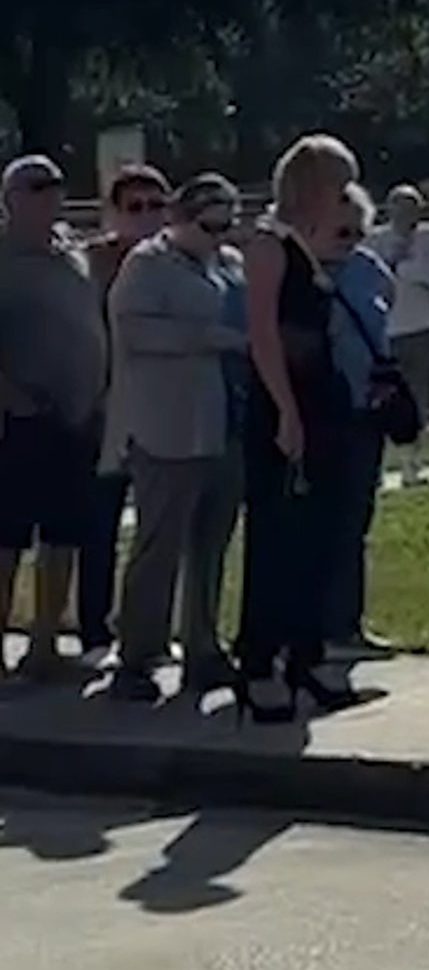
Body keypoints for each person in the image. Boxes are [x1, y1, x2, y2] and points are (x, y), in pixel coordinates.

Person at [234, 135, 370, 721]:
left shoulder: (315, 251)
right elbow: (263, 334)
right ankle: (260, 660)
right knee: (278, 533)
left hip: (324, 398)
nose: (344, 200)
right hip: (283, 400)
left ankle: (307, 655)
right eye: (336, 188)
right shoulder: (268, 246)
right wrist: (285, 409)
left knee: (323, 531)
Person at [102, 174, 249, 702]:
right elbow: (135, 333)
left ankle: (203, 648)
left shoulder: (229, 265)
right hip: (166, 426)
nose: (219, 235)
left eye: (227, 224)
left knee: (211, 544)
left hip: (224, 424)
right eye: (209, 224)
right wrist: (211, 339)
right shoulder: (146, 265)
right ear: (180, 219)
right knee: (157, 545)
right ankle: (136, 656)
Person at [0, 155, 110, 682]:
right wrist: (11, 394)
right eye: (36, 187)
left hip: (78, 416)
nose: (50, 195)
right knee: (7, 536)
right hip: (21, 418)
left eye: (55, 185)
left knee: (65, 533)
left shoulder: (71, 251)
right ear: (10, 197)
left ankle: (45, 645)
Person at [80, 164, 171, 670]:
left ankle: (150, 631)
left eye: (156, 206)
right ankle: (96, 629)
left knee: (159, 527)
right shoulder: (94, 262)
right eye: (134, 207)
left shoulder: (176, 261)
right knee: (101, 523)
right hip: (107, 406)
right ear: (114, 213)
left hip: (162, 406)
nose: (146, 218)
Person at [323, 184, 397, 663]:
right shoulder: (301, 271)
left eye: (357, 230)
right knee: (328, 520)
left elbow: (385, 310)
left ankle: (348, 622)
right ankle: (323, 625)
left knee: (356, 517)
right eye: (340, 230)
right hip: (325, 408)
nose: (348, 240)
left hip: (367, 407)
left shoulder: (368, 269)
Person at [374, 184, 429, 487]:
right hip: (386, 329)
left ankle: (412, 465)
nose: (407, 215)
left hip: (422, 327)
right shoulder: (376, 239)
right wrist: (402, 265)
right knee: (381, 399)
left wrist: (402, 267)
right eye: (400, 208)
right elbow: (377, 277)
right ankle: (376, 466)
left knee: (419, 396)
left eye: (413, 208)